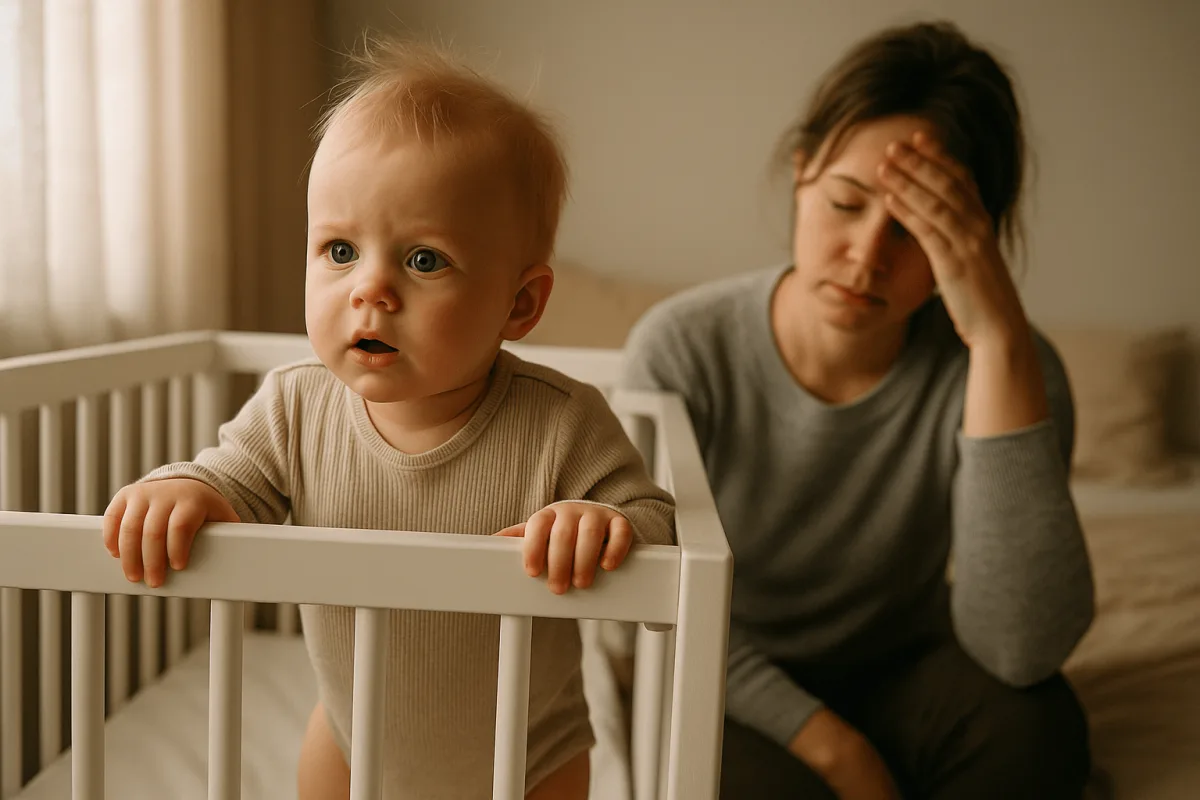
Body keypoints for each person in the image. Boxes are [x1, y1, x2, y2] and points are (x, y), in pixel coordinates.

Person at [101, 40, 676, 800]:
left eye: (424, 261)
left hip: (530, 759)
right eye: (340, 249)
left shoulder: (563, 423)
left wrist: (605, 524)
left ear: (521, 304)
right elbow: (226, 482)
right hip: (349, 744)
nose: (370, 290)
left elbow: (659, 531)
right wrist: (182, 489)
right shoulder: (294, 405)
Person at [621, 20, 1094, 800]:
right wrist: (837, 751)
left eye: (916, 228)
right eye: (846, 202)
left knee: (1036, 730)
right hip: (722, 673)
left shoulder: (1011, 365)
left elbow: (1020, 646)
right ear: (803, 174)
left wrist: (998, 340)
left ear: (972, 241)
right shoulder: (680, 349)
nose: (867, 255)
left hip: (898, 665)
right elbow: (651, 614)